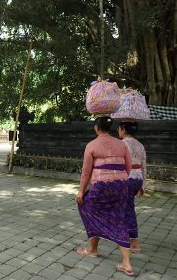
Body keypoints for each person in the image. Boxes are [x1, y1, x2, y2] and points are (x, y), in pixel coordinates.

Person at [75, 117, 134, 276]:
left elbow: (86, 172)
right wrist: (117, 180)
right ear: (110, 127)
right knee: (119, 219)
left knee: (86, 207)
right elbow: (128, 168)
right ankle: (127, 264)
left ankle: (93, 249)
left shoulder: (92, 145)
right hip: (121, 186)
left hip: (101, 187)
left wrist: (81, 191)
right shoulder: (121, 144)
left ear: (96, 128)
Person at [118, 121, 147, 253]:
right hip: (138, 179)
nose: (118, 131)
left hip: (128, 179)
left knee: (128, 209)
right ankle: (124, 235)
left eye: (119, 128)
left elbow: (119, 164)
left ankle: (134, 241)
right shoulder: (140, 145)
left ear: (123, 130)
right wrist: (143, 185)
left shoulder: (122, 144)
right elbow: (144, 166)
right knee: (125, 207)